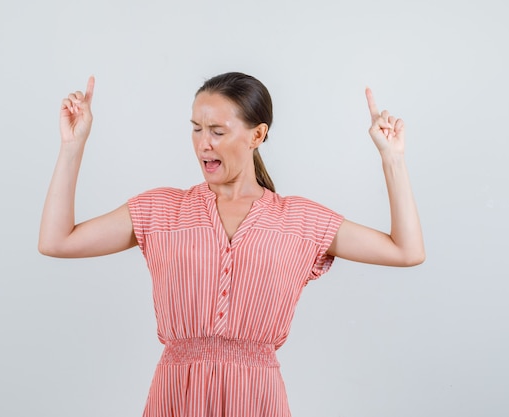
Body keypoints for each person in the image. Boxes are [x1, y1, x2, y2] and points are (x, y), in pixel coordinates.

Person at [39, 72, 425, 416]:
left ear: (257, 135)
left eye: (217, 131)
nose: (203, 144)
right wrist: (72, 146)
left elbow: (406, 252)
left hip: (256, 399)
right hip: (175, 397)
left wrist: (393, 159)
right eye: (195, 128)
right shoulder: (161, 209)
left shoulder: (299, 220)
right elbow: (57, 241)